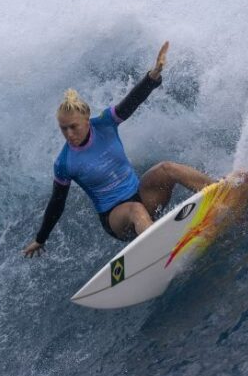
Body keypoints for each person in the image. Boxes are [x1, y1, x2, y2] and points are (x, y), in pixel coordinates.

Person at [23, 41, 217, 257]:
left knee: (167, 168)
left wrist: (153, 75)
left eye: (73, 127)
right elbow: (56, 204)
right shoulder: (65, 162)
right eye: (63, 129)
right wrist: (40, 239)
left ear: (87, 120)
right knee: (136, 211)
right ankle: (164, 253)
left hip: (142, 196)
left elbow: (131, 102)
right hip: (115, 218)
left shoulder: (105, 123)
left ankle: (221, 192)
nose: (69, 134)